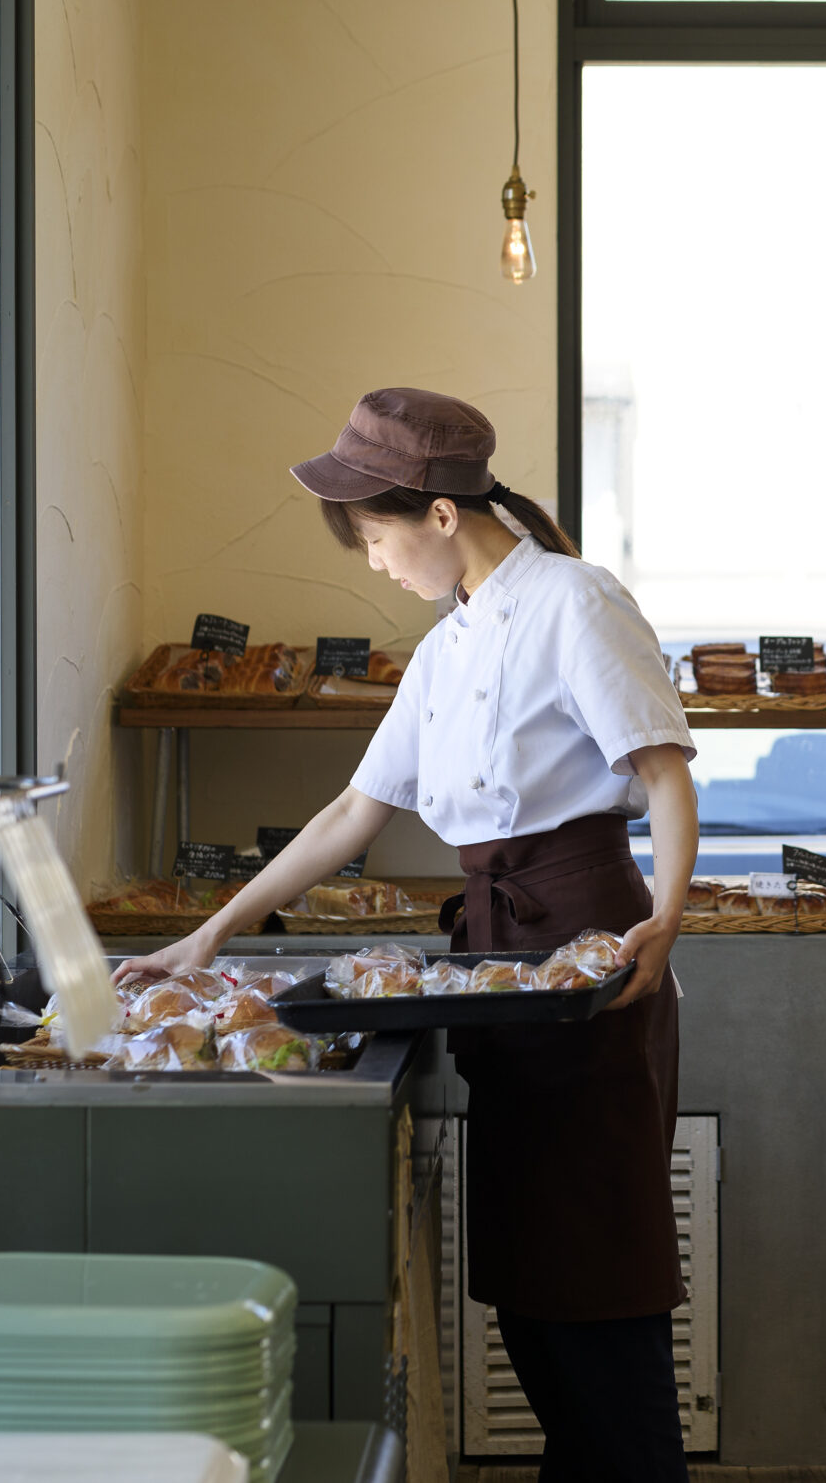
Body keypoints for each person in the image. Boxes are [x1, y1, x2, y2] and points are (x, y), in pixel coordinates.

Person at [115, 387, 697, 1481]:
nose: (374, 563)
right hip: (502, 951)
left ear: (438, 514)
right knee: (532, 1285)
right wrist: (208, 937)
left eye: (377, 538)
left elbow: (661, 767)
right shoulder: (450, 642)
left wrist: (665, 920)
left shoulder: (574, 599)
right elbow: (350, 814)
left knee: (595, 1273)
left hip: (589, 951)